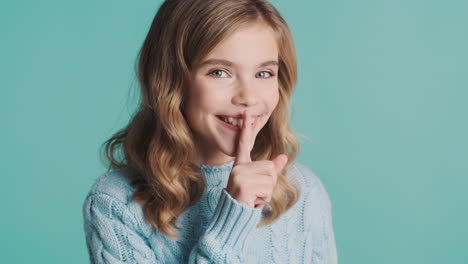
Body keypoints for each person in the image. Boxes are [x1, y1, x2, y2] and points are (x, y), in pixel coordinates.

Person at [82, 0, 338, 263]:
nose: (248, 97)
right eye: (219, 72)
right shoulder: (116, 203)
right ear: (171, 81)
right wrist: (233, 220)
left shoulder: (303, 193)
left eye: (263, 73)